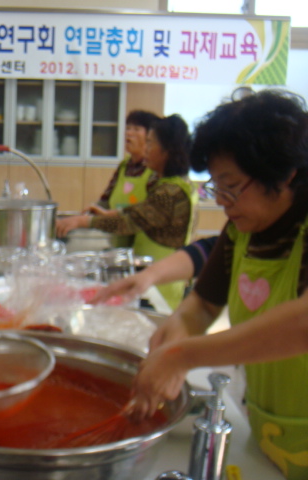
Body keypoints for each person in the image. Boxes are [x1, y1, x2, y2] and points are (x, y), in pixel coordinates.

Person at [128, 90, 308, 480]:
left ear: (283, 173)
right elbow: (205, 305)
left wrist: (182, 357)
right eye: (216, 188)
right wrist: (178, 331)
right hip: (276, 441)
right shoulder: (244, 228)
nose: (223, 202)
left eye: (231, 186)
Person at [57, 115, 198, 310]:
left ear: (167, 150)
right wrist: (110, 214)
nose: (146, 149)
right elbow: (142, 211)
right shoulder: (172, 184)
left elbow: (129, 223)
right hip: (155, 272)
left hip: (161, 281)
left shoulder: (170, 191)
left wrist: (83, 222)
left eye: (150, 143)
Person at [95, 110, 160, 247]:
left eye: (136, 129)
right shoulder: (124, 166)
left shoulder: (154, 170)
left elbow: (150, 212)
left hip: (143, 246)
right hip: (118, 243)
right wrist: (91, 212)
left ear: (150, 136)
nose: (128, 133)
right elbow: (105, 200)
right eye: (128, 128)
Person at [92, 236, 218, 305]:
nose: (219, 201)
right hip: (162, 271)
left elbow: (134, 218)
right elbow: (212, 249)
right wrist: (149, 275)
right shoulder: (233, 233)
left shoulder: (171, 190)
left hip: (168, 283)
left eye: (232, 187)